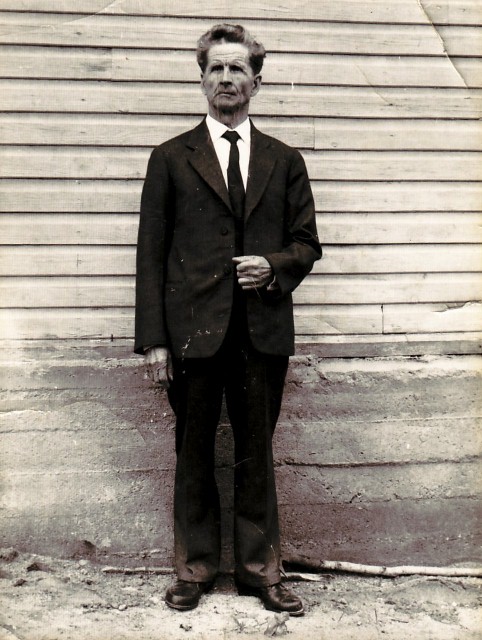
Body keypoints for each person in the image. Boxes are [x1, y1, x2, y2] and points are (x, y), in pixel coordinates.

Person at [135, 23, 322, 616]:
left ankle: (260, 572)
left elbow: (307, 244)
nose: (225, 78)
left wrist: (272, 266)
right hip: (193, 333)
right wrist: (155, 341)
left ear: (256, 83)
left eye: (237, 68)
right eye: (215, 68)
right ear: (202, 80)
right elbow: (150, 254)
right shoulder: (170, 158)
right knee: (193, 452)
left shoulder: (284, 160)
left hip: (262, 333)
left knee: (256, 455)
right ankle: (193, 570)